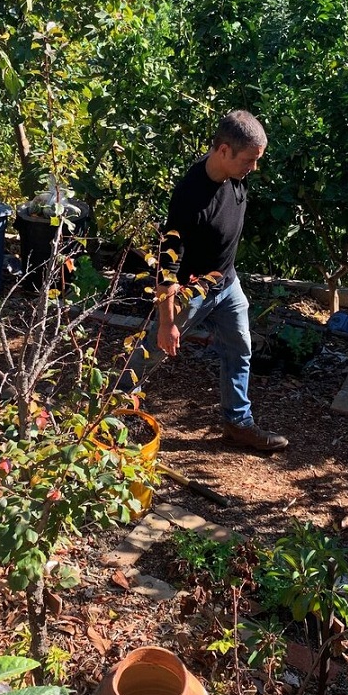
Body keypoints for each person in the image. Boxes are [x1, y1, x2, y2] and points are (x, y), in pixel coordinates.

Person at [124, 110, 288, 452]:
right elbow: (167, 269)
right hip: (189, 292)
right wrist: (168, 322)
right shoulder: (189, 198)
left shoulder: (236, 173)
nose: (253, 168)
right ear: (223, 151)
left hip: (227, 284)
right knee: (153, 350)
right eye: (249, 160)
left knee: (239, 349)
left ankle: (238, 424)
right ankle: (116, 408)